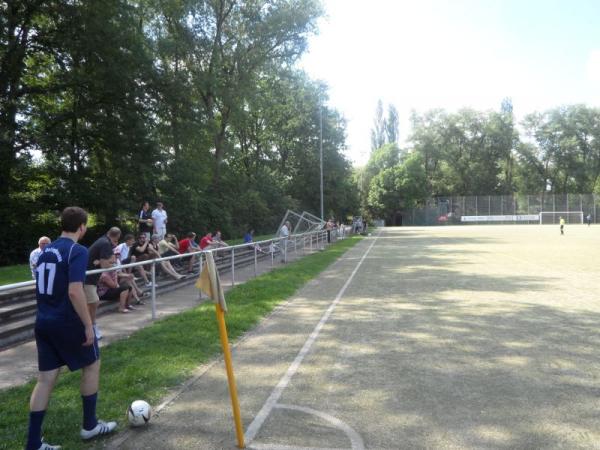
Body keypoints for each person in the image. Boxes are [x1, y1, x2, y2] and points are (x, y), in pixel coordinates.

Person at [25, 207, 116, 450]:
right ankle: (90, 426)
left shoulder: (45, 251)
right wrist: (88, 324)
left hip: (43, 321)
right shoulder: (78, 250)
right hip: (66, 321)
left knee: (45, 379)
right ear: (82, 227)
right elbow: (75, 290)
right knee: (92, 364)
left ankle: (33, 442)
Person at [84, 227, 121, 340]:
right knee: (93, 302)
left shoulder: (103, 240)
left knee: (91, 303)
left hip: (91, 278)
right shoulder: (105, 243)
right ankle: (91, 328)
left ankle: (90, 327)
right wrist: (113, 265)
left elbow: (112, 259)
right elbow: (106, 265)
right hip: (87, 278)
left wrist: (101, 261)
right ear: (117, 236)